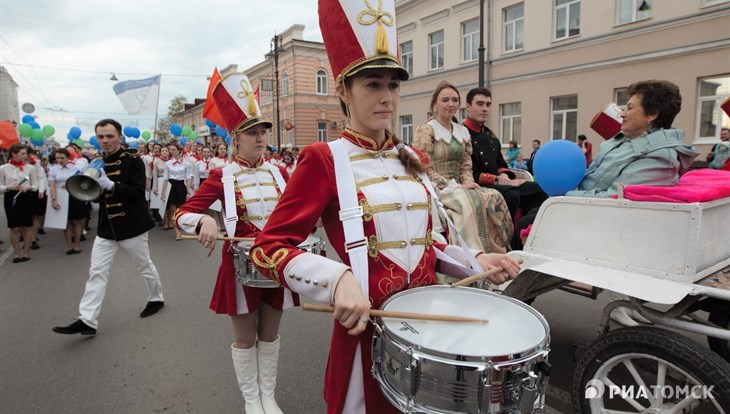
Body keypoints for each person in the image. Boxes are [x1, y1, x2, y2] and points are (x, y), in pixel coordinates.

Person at [250, 2, 521, 412]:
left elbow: (429, 241)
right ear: (343, 91)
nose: (387, 97)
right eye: (373, 85)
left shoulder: (411, 157)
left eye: (393, 86)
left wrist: (476, 259)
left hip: (429, 330)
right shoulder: (324, 158)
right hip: (367, 336)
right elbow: (267, 248)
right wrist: (336, 278)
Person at [505, 80, 699, 326]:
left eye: (629, 107)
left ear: (652, 114)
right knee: (530, 206)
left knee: (527, 220)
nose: (622, 113)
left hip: (608, 227)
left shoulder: (660, 156)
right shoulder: (625, 142)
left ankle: (516, 298)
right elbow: (596, 178)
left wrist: (566, 197)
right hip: (590, 212)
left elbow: (617, 200)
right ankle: (513, 285)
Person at [175, 73, 297, 414]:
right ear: (236, 137)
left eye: (263, 132)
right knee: (246, 338)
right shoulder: (222, 176)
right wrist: (203, 221)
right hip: (241, 265)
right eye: (252, 132)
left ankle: (268, 396)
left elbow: (296, 211)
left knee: (270, 335)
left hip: (276, 261)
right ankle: (251, 399)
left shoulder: (279, 173)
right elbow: (183, 213)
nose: (260, 138)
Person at [52, 119, 164, 336]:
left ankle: (156, 298)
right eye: (100, 137)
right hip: (107, 226)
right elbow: (95, 198)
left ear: (119, 138)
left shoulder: (133, 159)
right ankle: (87, 320)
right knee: (97, 272)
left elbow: (138, 193)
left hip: (132, 224)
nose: (105, 141)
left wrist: (111, 185)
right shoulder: (96, 161)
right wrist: (88, 188)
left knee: (143, 266)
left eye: (109, 136)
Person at [413, 81, 512, 253]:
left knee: (493, 195)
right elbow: (424, 169)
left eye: (454, 100)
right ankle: (471, 256)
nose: (450, 104)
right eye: (445, 100)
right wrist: (455, 186)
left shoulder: (462, 132)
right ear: (435, 103)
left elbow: (466, 165)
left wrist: (468, 182)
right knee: (467, 203)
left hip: (460, 185)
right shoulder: (426, 130)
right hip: (436, 186)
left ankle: (498, 250)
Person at [465, 87, 547, 221]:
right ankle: (508, 236)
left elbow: (500, 164)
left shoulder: (490, 136)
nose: (485, 109)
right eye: (480, 104)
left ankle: (525, 231)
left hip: (500, 184)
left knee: (539, 189)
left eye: (488, 104)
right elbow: (468, 173)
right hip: (476, 187)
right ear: (468, 106)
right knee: (512, 194)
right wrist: (497, 179)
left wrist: (504, 175)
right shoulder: (462, 135)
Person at [0, 144, 38, 263]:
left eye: (25, 154)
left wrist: (29, 188)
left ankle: (26, 252)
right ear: (14, 154)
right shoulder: (3, 168)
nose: (25, 156)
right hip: (11, 197)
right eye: (22, 154)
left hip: (26, 196)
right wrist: (8, 187)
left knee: (27, 225)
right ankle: (17, 254)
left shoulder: (30, 168)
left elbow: (36, 184)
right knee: (14, 227)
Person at [47, 148, 85, 254]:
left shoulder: (76, 168)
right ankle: (69, 246)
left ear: (68, 157)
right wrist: (53, 199)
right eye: (57, 158)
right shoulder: (53, 170)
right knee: (66, 223)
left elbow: (81, 183)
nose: (59, 160)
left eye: (62, 158)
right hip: (61, 196)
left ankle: (77, 244)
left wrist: (71, 185)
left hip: (74, 195)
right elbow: (52, 186)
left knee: (76, 221)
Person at [161, 142, 192, 241]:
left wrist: (188, 191)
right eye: (170, 150)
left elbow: (188, 178)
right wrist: (163, 192)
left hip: (181, 186)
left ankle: (182, 225)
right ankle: (177, 232)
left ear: (179, 150)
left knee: (181, 209)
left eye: (173, 150)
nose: (171, 152)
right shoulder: (168, 163)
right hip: (171, 186)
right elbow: (165, 178)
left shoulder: (186, 163)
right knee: (172, 210)